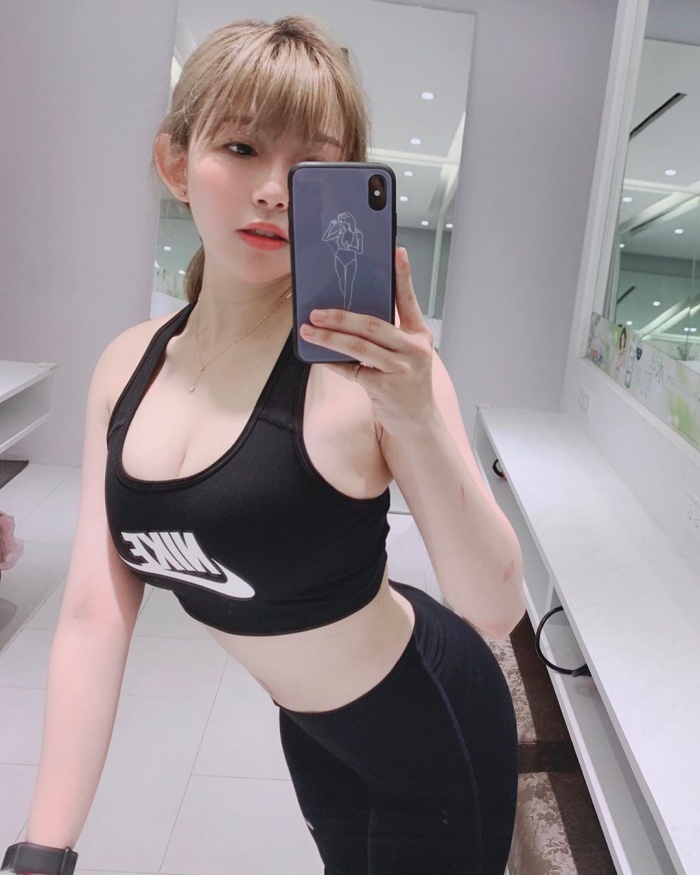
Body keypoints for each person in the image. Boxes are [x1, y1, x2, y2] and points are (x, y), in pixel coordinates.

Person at [8, 16, 526, 875]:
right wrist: (42, 849)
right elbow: (95, 614)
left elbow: (497, 608)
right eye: (241, 147)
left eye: (310, 166)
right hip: (314, 732)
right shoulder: (126, 368)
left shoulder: (370, 374)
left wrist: (417, 420)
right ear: (177, 162)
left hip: (434, 734)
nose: (276, 190)